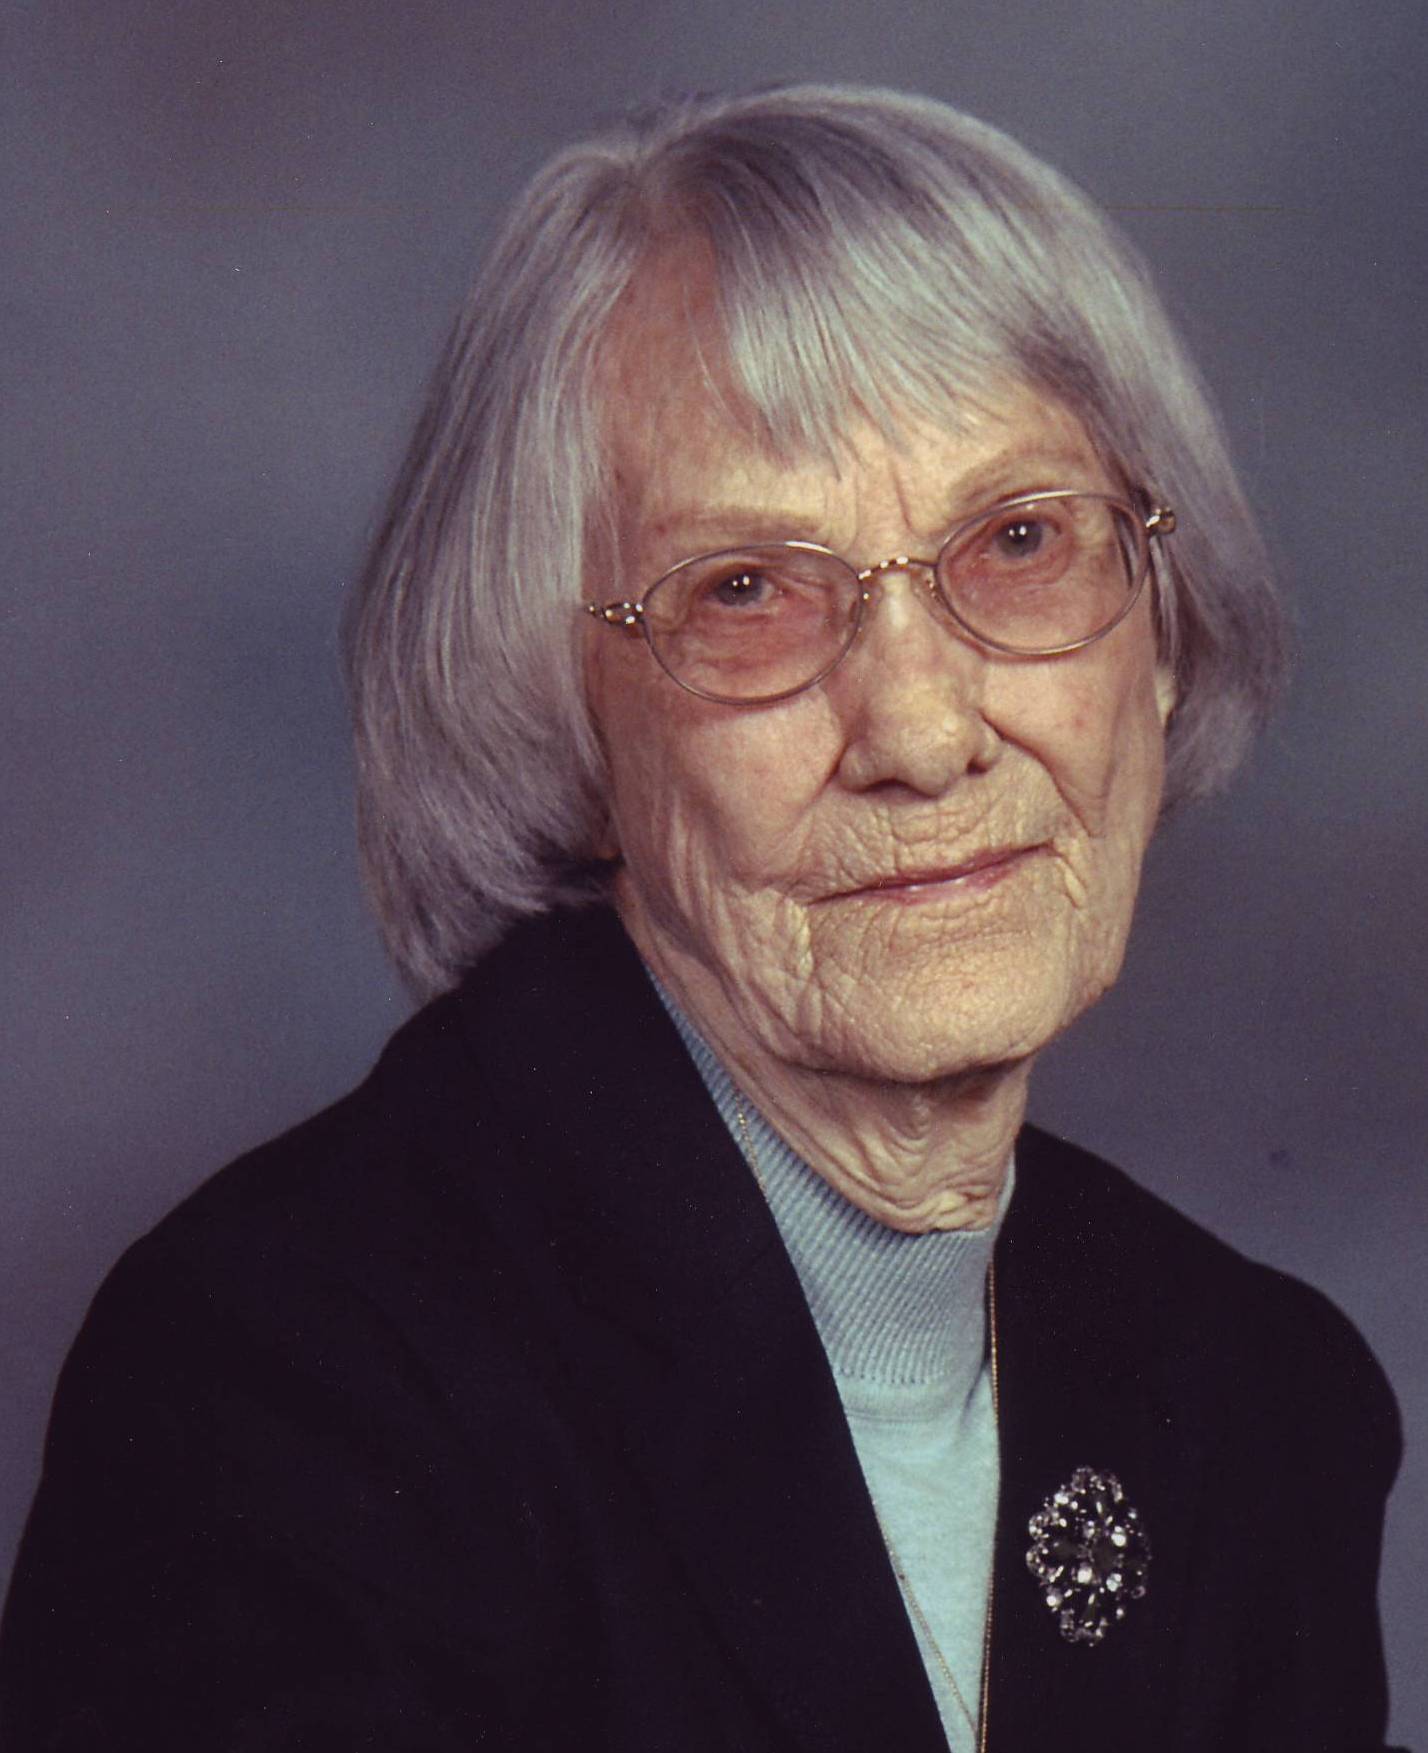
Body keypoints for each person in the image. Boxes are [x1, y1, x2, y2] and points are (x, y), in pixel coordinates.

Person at [0, 85, 1403, 1753]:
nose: (921, 731)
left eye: (1022, 542)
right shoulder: (288, 1390)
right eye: (748, 591)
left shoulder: (1254, 1402)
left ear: (1158, 644)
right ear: (569, 727)